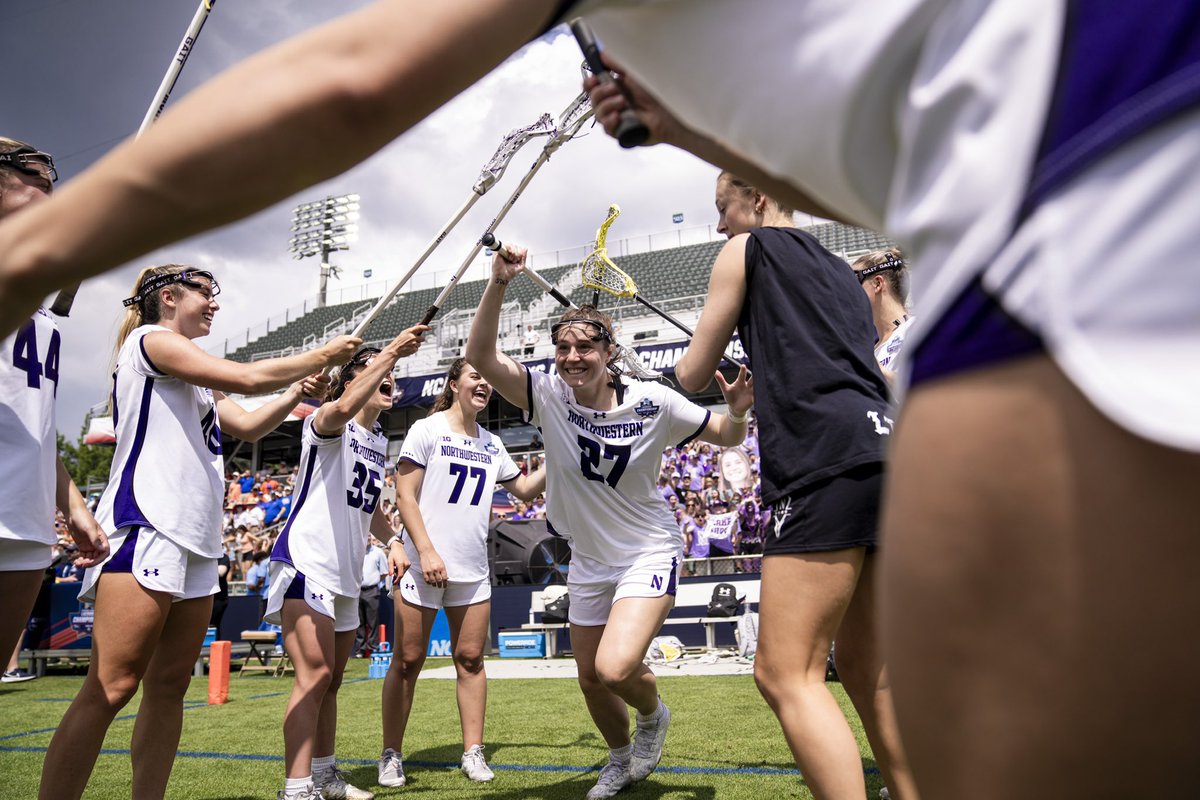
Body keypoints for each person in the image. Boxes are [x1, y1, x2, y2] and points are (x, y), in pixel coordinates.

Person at [0, 3, 1196, 796]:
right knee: (915, 699)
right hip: (1106, 158)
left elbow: (352, 79)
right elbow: (857, 137)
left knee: (842, 685)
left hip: (1086, 203)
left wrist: (41, 247)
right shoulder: (792, 171)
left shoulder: (733, 263)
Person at [37, 264, 359, 800]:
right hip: (148, 524)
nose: (214, 305)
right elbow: (250, 377)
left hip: (197, 540)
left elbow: (251, 420)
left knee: (169, 687)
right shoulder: (151, 340)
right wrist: (322, 354)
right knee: (112, 687)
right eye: (206, 295)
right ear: (169, 297)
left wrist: (295, 392)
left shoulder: (195, 377)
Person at [465, 255, 753, 799]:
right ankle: (619, 760)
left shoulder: (655, 402)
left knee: (616, 667)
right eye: (564, 349)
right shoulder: (547, 393)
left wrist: (736, 412)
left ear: (608, 352)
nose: (572, 359)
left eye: (585, 348)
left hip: (648, 548)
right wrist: (498, 283)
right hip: (589, 557)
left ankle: (653, 716)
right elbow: (480, 354)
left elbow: (729, 437)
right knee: (590, 677)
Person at [674, 172, 915, 800]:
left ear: (755, 197)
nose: (720, 225)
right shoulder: (843, 270)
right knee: (871, 672)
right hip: (884, 449)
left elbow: (692, 369)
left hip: (820, 455)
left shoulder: (745, 250)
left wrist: (716, 372)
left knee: (786, 673)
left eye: (723, 209)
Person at [265, 328, 427, 800]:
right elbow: (336, 409)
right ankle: (296, 788)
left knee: (332, 681)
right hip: (307, 558)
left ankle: (325, 774)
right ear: (350, 381)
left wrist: (393, 539)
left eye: (392, 372)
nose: (389, 377)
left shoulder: (377, 441)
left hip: (345, 570)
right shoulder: (327, 420)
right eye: (376, 370)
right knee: (314, 674)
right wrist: (390, 349)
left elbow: (370, 504)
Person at [379, 358, 545, 788]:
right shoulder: (426, 428)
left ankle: (473, 751)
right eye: (475, 376)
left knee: (470, 660)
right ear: (454, 384)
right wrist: (427, 552)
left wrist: (559, 450)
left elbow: (524, 490)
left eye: (488, 380)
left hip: (472, 570)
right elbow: (405, 495)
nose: (484, 385)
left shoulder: (492, 442)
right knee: (408, 661)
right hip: (422, 564)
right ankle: (391, 754)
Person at [0, 136, 109, 688]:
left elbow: (37, 427)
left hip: (24, 509)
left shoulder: (43, 313)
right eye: (37, 176)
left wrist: (74, 506)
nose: (52, 187)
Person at [851, 248, 913, 384]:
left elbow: (939, 387)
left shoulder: (917, 329)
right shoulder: (871, 349)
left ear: (878, 284)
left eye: (854, 281)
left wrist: (875, 370)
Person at [354, 536, 389, 658]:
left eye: (370, 536)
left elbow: (384, 572)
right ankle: (360, 650)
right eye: (366, 536)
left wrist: (375, 583)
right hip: (357, 590)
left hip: (372, 590)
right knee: (359, 622)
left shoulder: (378, 552)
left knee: (373, 621)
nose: (368, 538)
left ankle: (374, 648)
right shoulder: (355, 551)